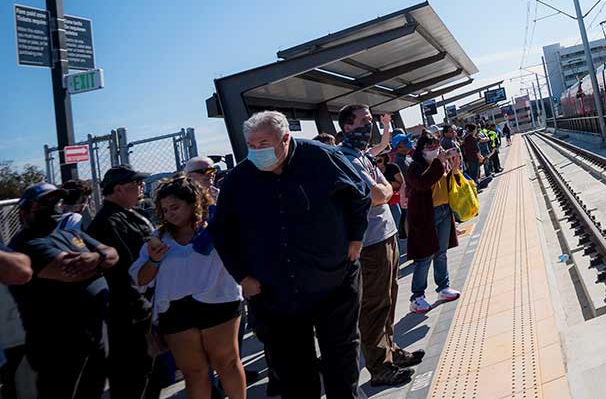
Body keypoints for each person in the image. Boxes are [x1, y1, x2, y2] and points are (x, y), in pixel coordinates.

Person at [209, 111, 371, 399]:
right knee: (294, 373)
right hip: (275, 293)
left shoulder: (323, 158)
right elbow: (222, 232)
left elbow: (359, 194)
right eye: (252, 145)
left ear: (285, 139)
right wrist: (242, 276)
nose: (257, 150)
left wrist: (356, 238)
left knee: (341, 359)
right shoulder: (238, 180)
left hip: (333, 281)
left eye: (263, 142)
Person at [131, 175, 244, 399]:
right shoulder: (158, 238)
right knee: (194, 372)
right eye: (164, 210)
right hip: (175, 311)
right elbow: (140, 280)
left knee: (227, 363)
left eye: (175, 207)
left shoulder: (215, 229)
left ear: (193, 203)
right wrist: (153, 260)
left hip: (220, 302)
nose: (170, 214)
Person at [336, 106, 422, 387]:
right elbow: (377, 194)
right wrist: (384, 190)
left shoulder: (362, 156)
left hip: (386, 235)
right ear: (348, 127)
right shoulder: (345, 159)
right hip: (370, 243)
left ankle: (391, 351)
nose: (369, 126)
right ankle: (379, 367)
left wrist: (384, 190)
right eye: (365, 121)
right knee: (374, 304)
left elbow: (385, 188)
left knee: (389, 297)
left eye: (371, 121)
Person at [7, 182, 118, 399]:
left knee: (92, 390)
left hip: (92, 332)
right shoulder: (27, 243)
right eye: (44, 203)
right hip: (56, 341)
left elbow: (112, 253)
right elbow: (69, 271)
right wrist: (99, 261)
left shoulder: (70, 234)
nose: (53, 207)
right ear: (24, 211)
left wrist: (96, 257)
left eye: (56, 201)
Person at [87, 166, 158, 399]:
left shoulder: (127, 214)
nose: (140, 187)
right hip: (128, 313)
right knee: (132, 378)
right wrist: (142, 308)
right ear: (117, 189)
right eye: (135, 183)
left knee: (148, 375)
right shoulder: (110, 222)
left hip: (140, 308)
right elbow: (124, 272)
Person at [403, 132, 460, 315]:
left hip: (443, 211)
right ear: (421, 149)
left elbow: (446, 183)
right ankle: (416, 297)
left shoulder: (439, 163)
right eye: (429, 147)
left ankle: (443, 287)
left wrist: (454, 167)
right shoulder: (415, 166)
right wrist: (438, 162)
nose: (434, 150)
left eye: (436, 146)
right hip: (425, 215)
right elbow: (422, 184)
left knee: (441, 253)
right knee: (424, 256)